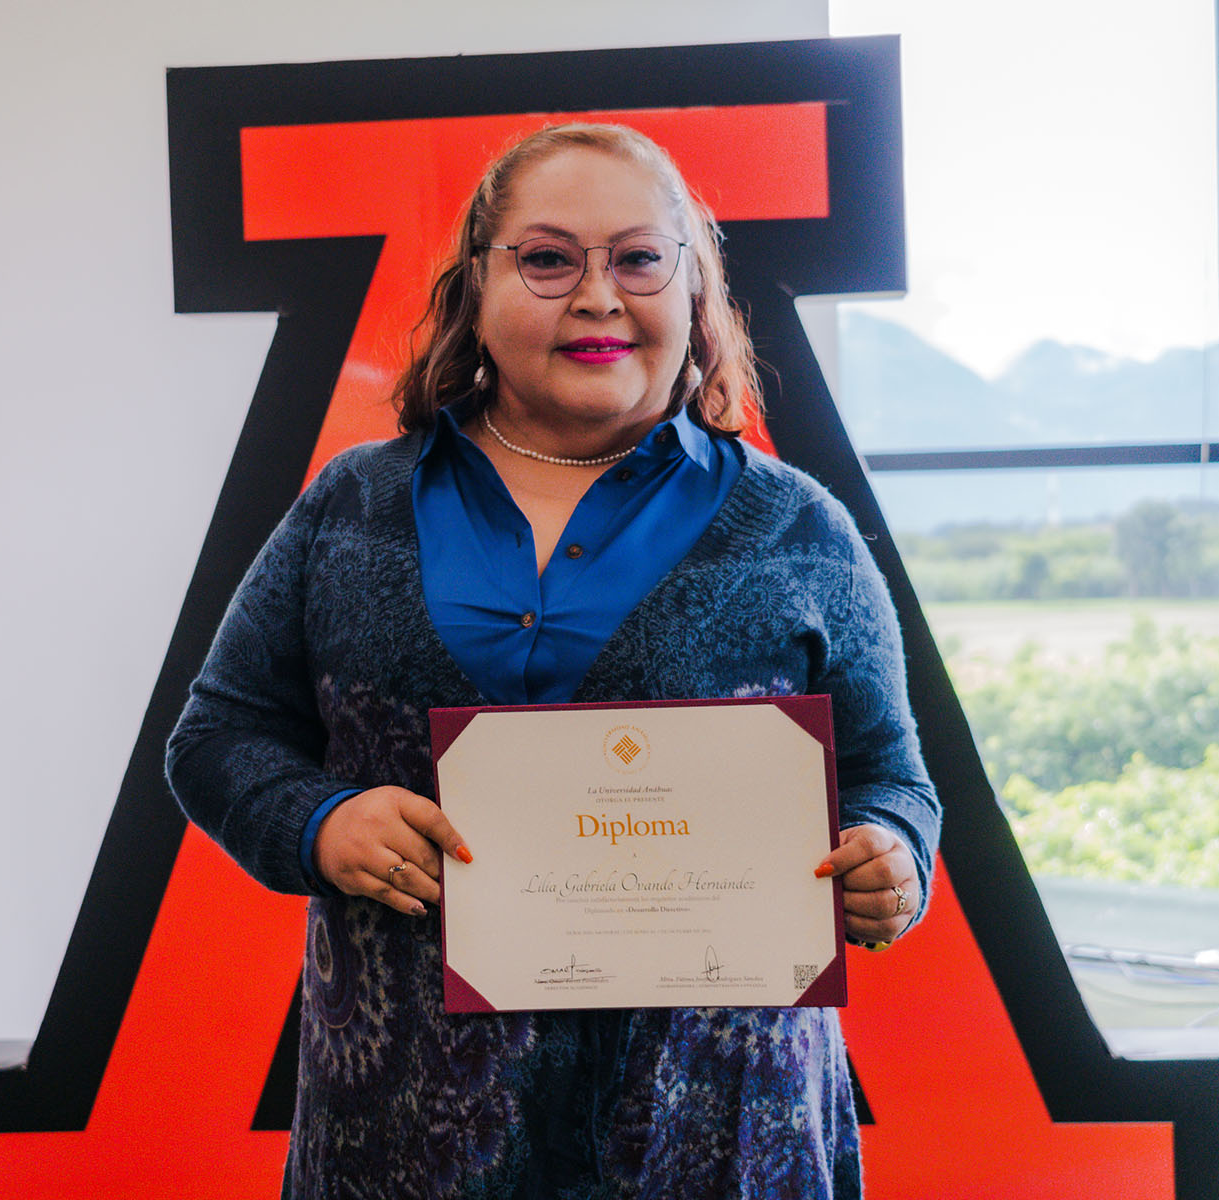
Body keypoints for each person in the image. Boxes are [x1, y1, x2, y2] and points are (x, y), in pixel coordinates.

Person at [166, 123, 941, 1199]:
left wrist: (894, 855)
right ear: (476, 288)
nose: (596, 296)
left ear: (694, 287)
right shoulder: (350, 507)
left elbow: (891, 776)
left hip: (721, 1142)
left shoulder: (798, 526)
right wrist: (318, 823)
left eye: (637, 258)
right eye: (547, 259)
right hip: (404, 1140)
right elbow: (215, 736)